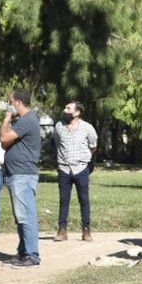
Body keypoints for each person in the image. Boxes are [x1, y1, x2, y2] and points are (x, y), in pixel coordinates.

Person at [0, 88, 42, 267]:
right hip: (17, 174)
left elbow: (3, 137)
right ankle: (24, 252)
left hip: (22, 175)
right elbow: (6, 142)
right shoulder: (26, 121)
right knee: (21, 216)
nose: (10, 105)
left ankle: (32, 255)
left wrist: (7, 119)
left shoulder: (28, 120)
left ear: (18, 102)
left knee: (26, 216)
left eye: (11, 101)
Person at [54, 101, 97, 241]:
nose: (64, 110)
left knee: (84, 200)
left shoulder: (88, 128)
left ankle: (86, 230)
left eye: (68, 108)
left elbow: (93, 145)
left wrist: (85, 159)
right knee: (63, 200)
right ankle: (62, 230)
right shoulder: (59, 126)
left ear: (77, 113)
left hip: (81, 168)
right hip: (64, 169)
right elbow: (57, 143)